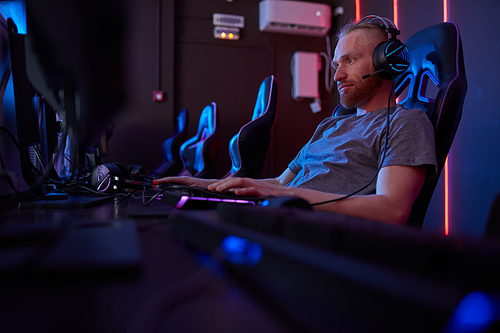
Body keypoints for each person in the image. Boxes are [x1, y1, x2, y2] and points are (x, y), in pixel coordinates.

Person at [154, 16, 437, 226]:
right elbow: (280, 181)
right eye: (336, 65)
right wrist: (206, 186)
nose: (337, 76)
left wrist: (282, 194)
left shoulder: (405, 123)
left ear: (386, 63)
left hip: (315, 234)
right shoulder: (331, 125)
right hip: (278, 216)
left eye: (349, 61)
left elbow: (392, 210)